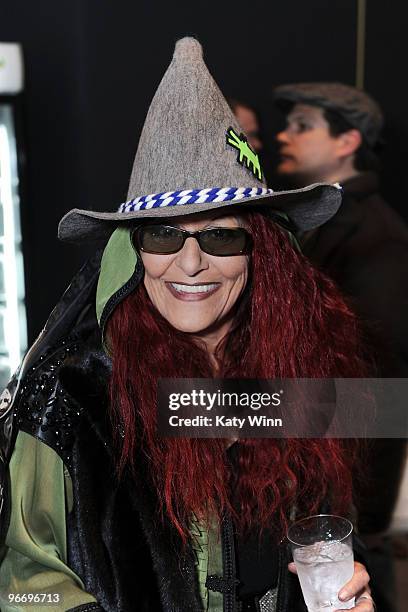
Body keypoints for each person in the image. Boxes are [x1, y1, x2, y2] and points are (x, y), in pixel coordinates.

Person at [0, 41, 375, 612]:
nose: (191, 263)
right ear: (133, 252)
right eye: (164, 234)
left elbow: (329, 530)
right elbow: (23, 586)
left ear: (261, 253)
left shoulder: (302, 371)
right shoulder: (73, 390)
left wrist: (347, 594)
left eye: (221, 235)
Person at [273, 81, 408, 612]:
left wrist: (358, 518)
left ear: (348, 140)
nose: (285, 134)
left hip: (344, 491)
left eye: (303, 125)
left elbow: (380, 385)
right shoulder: (322, 224)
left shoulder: (377, 241)